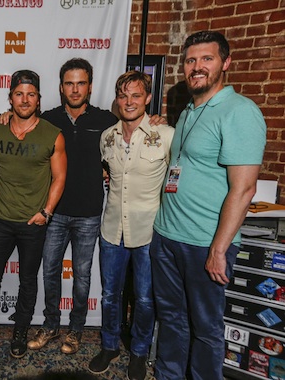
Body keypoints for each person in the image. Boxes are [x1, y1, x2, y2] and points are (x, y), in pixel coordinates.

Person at [151, 30, 266, 380]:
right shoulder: (189, 110)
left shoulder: (240, 111)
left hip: (204, 243)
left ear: (225, 63)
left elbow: (244, 189)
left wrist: (219, 248)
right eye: (190, 60)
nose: (197, 67)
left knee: (206, 327)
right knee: (171, 318)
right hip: (167, 235)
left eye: (207, 59)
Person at [0, 70, 67, 359]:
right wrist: (1, 117)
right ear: (10, 97)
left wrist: (46, 212)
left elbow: (59, 178)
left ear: (39, 99)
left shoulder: (52, 134)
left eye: (31, 94)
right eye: (19, 93)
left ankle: (21, 329)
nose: (25, 99)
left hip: (32, 222)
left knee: (27, 281)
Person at [25, 58, 118, 355]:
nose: (75, 89)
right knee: (50, 270)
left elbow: (131, 135)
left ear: (90, 87)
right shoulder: (48, 119)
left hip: (89, 214)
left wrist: (155, 120)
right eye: (69, 83)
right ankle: (51, 325)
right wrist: (4, 117)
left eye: (81, 83)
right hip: (54, 211)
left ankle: (76, 329)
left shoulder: (106, 121)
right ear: (61, 87)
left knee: (82, 276)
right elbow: (18, 124)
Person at [87, 71, 174, 379]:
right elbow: (107, 173)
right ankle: (109, 345)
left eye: (136, 95)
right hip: (111, 231)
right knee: (110, 295)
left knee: (145, 298)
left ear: (148, 99)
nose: (129, 102)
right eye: (123, 96)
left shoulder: (166, 135)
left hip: (149, 232)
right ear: (117, 99)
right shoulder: (107, 137)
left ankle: (138, 351)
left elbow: (176, 180)